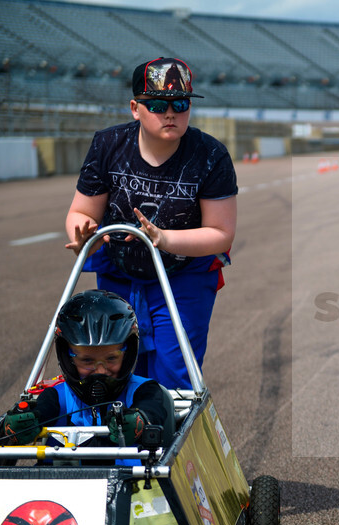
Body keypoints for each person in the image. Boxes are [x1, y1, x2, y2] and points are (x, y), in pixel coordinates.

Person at [65, 57, 238, 390]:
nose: (170, 113)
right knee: (116, 367)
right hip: (118, 271)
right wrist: (84, 233)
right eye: (157, 104)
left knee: (175, 373)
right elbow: (81, 212)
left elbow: (221, 233)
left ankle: (169, 431)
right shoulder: (108, 145)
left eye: (180, 104)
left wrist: (165, 238)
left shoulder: (211, 156)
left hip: (183, 275)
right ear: (135, 107)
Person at [0, 290, 175, 457]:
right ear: (68, 359)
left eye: (111, 358)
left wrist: (140, 419)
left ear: (127, 354)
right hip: (65, 482)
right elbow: (43, 411)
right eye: (87, 361)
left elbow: (152, 409)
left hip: (132, 481)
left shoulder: (145, 390)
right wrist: (26, 422)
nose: (100, 370)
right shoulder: (58, 396)